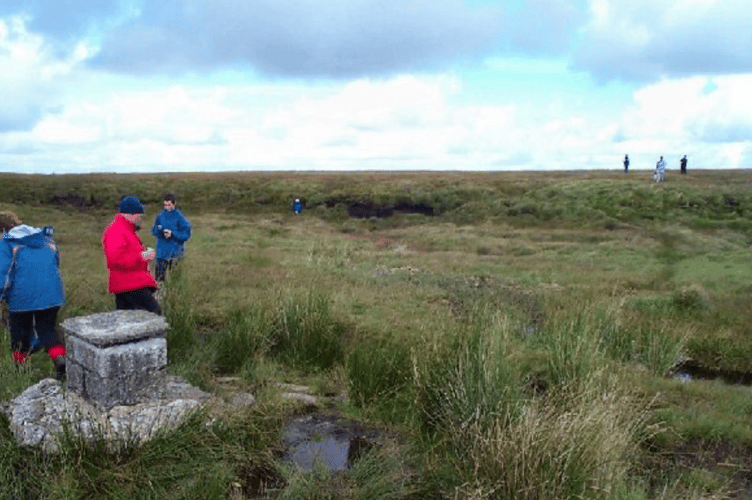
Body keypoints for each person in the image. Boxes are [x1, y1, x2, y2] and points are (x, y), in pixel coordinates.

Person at [0, 211, 67, 376]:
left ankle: (21, 372)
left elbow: (4, 276)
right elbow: (55, 264)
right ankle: (61, 362)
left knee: (19, 334)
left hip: (21, 298)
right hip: (53, 295)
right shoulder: (47, 239)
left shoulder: (7, 244)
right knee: (47, 329)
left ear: (2, 229)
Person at [102, 197, 161, 315]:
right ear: (130, 213)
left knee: (127, 320)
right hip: (129, 285)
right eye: (139, 214)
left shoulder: (126, 230)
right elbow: (115, 259)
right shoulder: (116, 231)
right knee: (153, 314)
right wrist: (141, 256)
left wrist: (143, 256)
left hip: (130, 283)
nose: (141, 217)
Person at [151, 193, 191, 282]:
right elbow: (154, 230)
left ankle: (175, 294)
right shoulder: (160, 215)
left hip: (175, 252)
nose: (167, 207)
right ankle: (160, 294)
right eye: (165, 205)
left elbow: (186, 234)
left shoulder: (180, 217)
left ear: (174, 203)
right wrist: (160, 231)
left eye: (169, 205)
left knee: (175, 279)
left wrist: (172, 234)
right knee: (159, 278)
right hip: (162, 252)